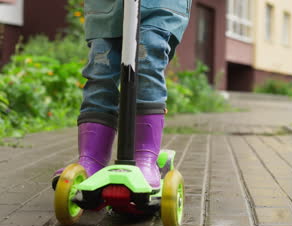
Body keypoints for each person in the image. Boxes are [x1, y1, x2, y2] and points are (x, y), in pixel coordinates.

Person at [53, 0, 191, 189]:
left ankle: (145, 158)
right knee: (100, 69)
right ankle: (91, 160)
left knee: (147, 55)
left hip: (158, 5)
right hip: (107, 6)